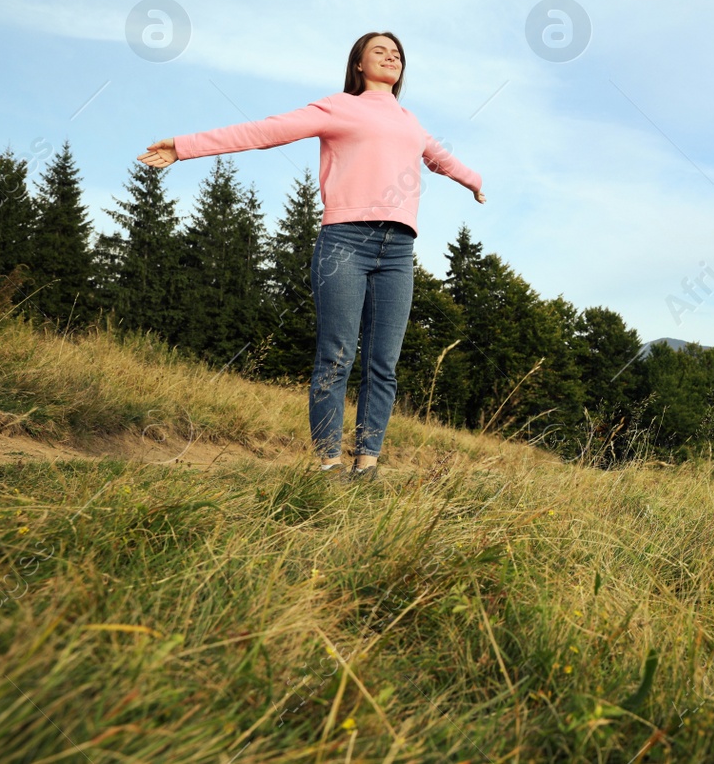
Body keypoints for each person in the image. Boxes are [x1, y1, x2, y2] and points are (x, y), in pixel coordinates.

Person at [138, 31, 485, 480]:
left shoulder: (410, 121)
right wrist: (184, 147)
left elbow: (439, 158)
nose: (391, 56)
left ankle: (367, 466)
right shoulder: (338, 107)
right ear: (358, 64)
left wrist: (475, 181)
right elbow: (264, 131)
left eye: (397, 52)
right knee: (336, 357)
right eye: (379, 50)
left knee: (383, 364)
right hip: (345, 243)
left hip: (399, 251)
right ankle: (328, 464)